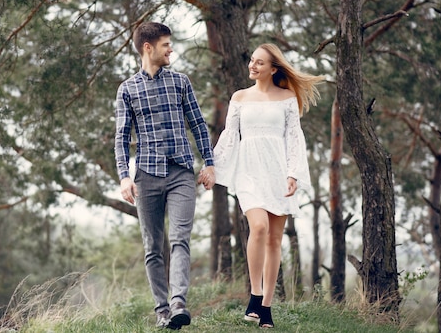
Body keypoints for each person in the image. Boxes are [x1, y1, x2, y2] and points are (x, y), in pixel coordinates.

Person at [213, 43, 324, 328]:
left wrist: (293, 174)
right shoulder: (239, 97)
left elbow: (294, 138)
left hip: (278, 172)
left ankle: (266, 307)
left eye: (259, 63)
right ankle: (254, 294)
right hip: (248, 172)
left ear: (273, 69)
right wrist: (211, 167)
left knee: (275, 239)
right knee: (258, 227)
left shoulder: (287, 98)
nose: (252, 65)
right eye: (252, 60)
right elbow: (229, 136)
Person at [114, 22, 216, 330]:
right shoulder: (127, 89)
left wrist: (208, 163)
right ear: (148, 47)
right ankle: (162, 309)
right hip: (146, 176)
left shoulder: (181, 82)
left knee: (180, 240)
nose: (171, 49)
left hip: (182, 173)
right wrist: (124, 176)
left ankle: (178, 304)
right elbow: (121, 137)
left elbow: (198, 125)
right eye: (166, 44)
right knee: (152, 246)